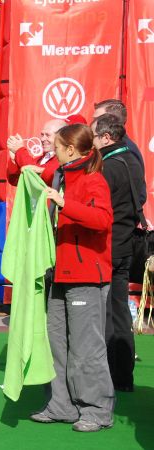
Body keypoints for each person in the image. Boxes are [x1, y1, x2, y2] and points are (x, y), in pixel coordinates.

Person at [30, 124, 114, 432]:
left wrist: (66, 204)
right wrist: (19, 156)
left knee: (85, 348)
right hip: (61, 272)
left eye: (55, 146)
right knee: (55, 344)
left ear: (70, 149)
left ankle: (96, 410)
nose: (51, 150)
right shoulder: (61, 175)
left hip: (85, 276)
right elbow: (30, 175)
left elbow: (103, 220)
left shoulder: (93, 180)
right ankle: (60, 405)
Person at [92, 113, 145, 392]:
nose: (92, 141)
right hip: (125, 243)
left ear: (106, 137)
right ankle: (123, 374)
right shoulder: (132, 159)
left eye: (94, 135)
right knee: (120, 310)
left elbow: (98, 208)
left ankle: (113, 374)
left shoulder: (109, 165)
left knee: (109, 312)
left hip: (110, 245)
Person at [7, 119, 67, 186]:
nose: (43, 139)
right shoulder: (40, 159)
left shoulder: (63, 159)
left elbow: (35, 175)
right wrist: (14, 160)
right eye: (42, 135)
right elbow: (15, 181)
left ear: (61, 136)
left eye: (48, 135)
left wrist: (19, 151)